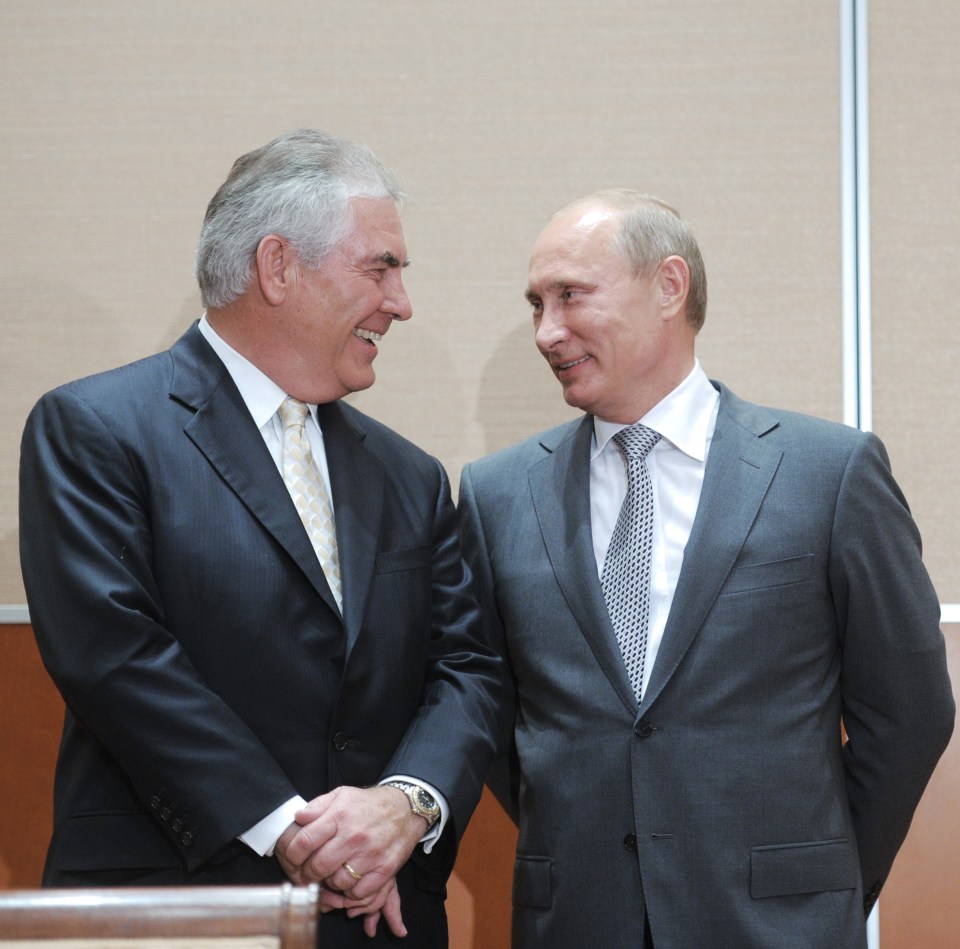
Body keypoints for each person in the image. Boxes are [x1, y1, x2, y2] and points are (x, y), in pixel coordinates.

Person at [19, 129, 507, 946]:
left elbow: (468, 668)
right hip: (184, 907)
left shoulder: (409, 475)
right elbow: (116, 655)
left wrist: (405, 801)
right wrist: (297, 831)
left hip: (378, 913)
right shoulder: (96, 429)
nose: (401, 302)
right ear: (279, 267)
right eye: (381, 266)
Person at [456, 189, 955, 948]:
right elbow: (489, 717)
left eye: (570, 296)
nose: (547, 331)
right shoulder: (496, 496)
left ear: (669, 286)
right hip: (577, 922)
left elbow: (910, 709)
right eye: (535, 305)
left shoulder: (830, 473)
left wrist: (824, 875)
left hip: (780, 925)